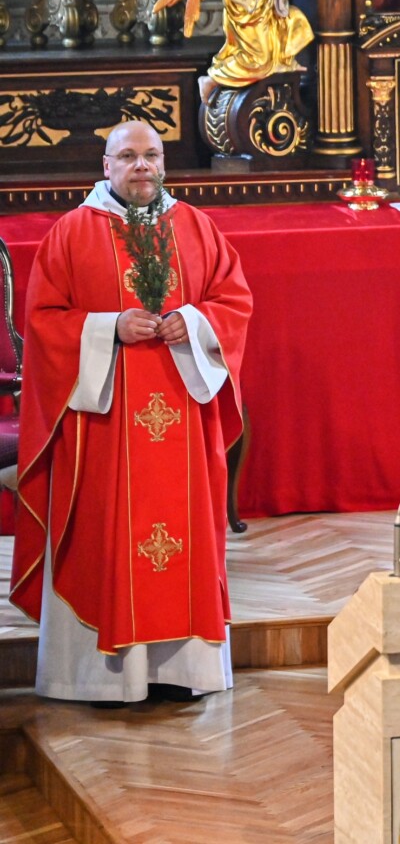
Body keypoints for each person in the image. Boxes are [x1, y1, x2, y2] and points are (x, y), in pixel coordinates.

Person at [8, 120, 253, 702]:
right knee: (105, 534)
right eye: (128, 156)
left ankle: (185, 671)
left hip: (182, 413)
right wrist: (109, 327)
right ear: (107, 166)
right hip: (104, 421)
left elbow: (234, 300)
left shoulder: (196, 227)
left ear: (163, 164)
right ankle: (103, 681)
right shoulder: (72, 233)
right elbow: (43, 322)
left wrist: (193, 321)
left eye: (151, 156)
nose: (141, 166)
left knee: (184, 538)